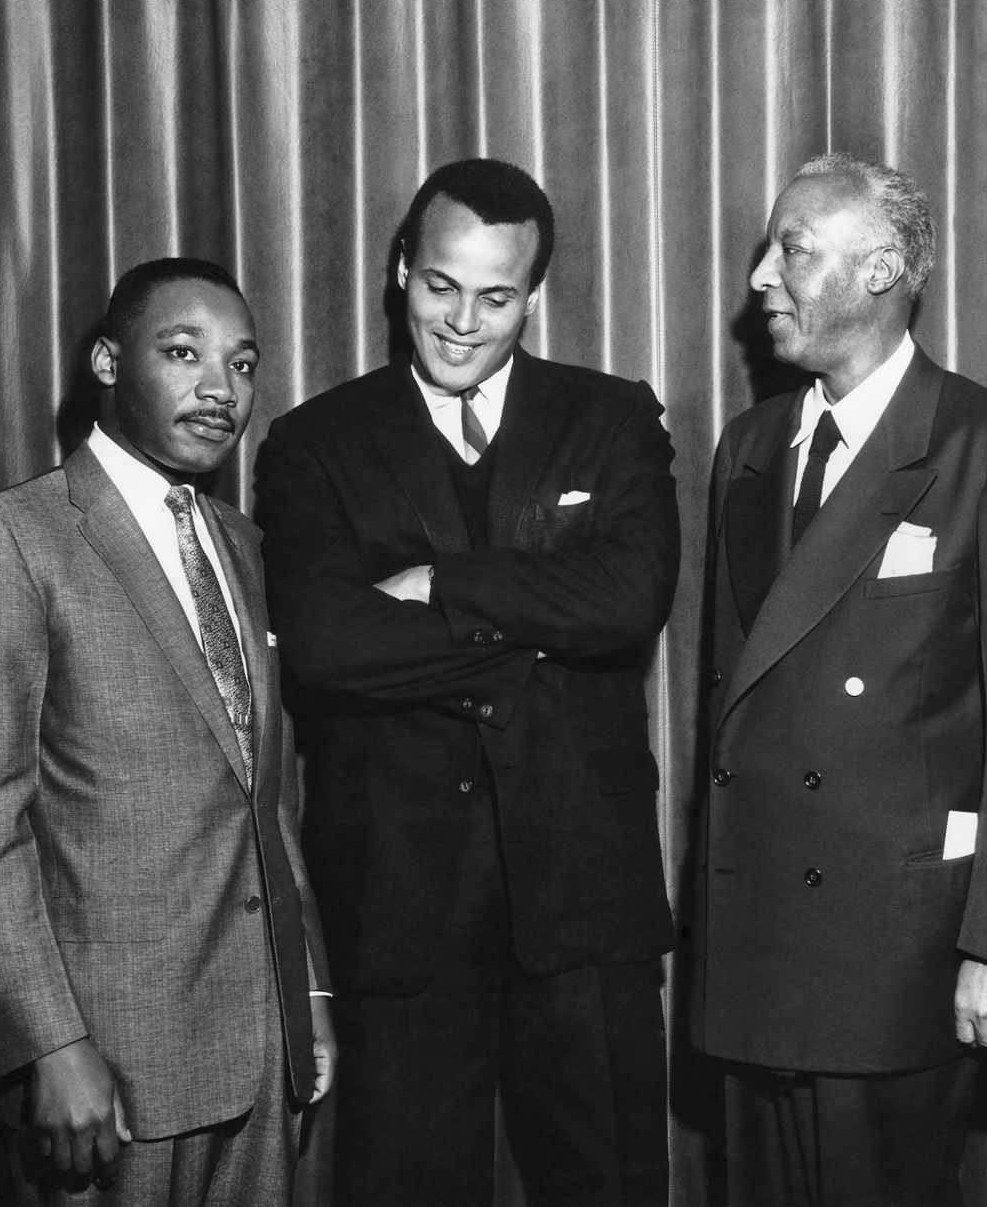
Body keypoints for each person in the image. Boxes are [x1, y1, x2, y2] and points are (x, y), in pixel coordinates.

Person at [256, 158, 679, 1206]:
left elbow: (629, 599)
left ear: (533, 296)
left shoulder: (613, 416)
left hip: (583, 896)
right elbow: (324, 642)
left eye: (496, 296)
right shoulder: (314, 442)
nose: (462, 321)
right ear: (402, 269)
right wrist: (536, 625)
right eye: (441, 285)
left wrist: (440, 582)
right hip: (399, 899)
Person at [691, 152, 987, 1206]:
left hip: (892, 948)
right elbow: (726, 715)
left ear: (880, 273)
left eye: (793, 250)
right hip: (756, 941)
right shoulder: (748, 447)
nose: (760, 279)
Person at [0, 257, 336, 1205]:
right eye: (182, 353)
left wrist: (303, 990)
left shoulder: (239, 542)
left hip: (261, 1050)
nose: (217, 389)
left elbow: (263, 794)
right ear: (108, 362)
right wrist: (49, 1045)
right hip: (110, 1061)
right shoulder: (13, 537)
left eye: (241, 363)